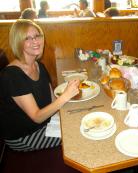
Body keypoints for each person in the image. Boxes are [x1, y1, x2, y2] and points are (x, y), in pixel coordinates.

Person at [0, 19, 80, 151]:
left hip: (45, 123)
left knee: (78, 121)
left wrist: (69, 107)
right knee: (75, 135)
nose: (35, 41)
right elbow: (37, 117)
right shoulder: (12, 75)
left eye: (37, 36)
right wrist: (65, 97)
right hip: (23, 136)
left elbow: (52, 100)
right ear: (18, 43)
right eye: (27, 38)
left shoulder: (39, 66)